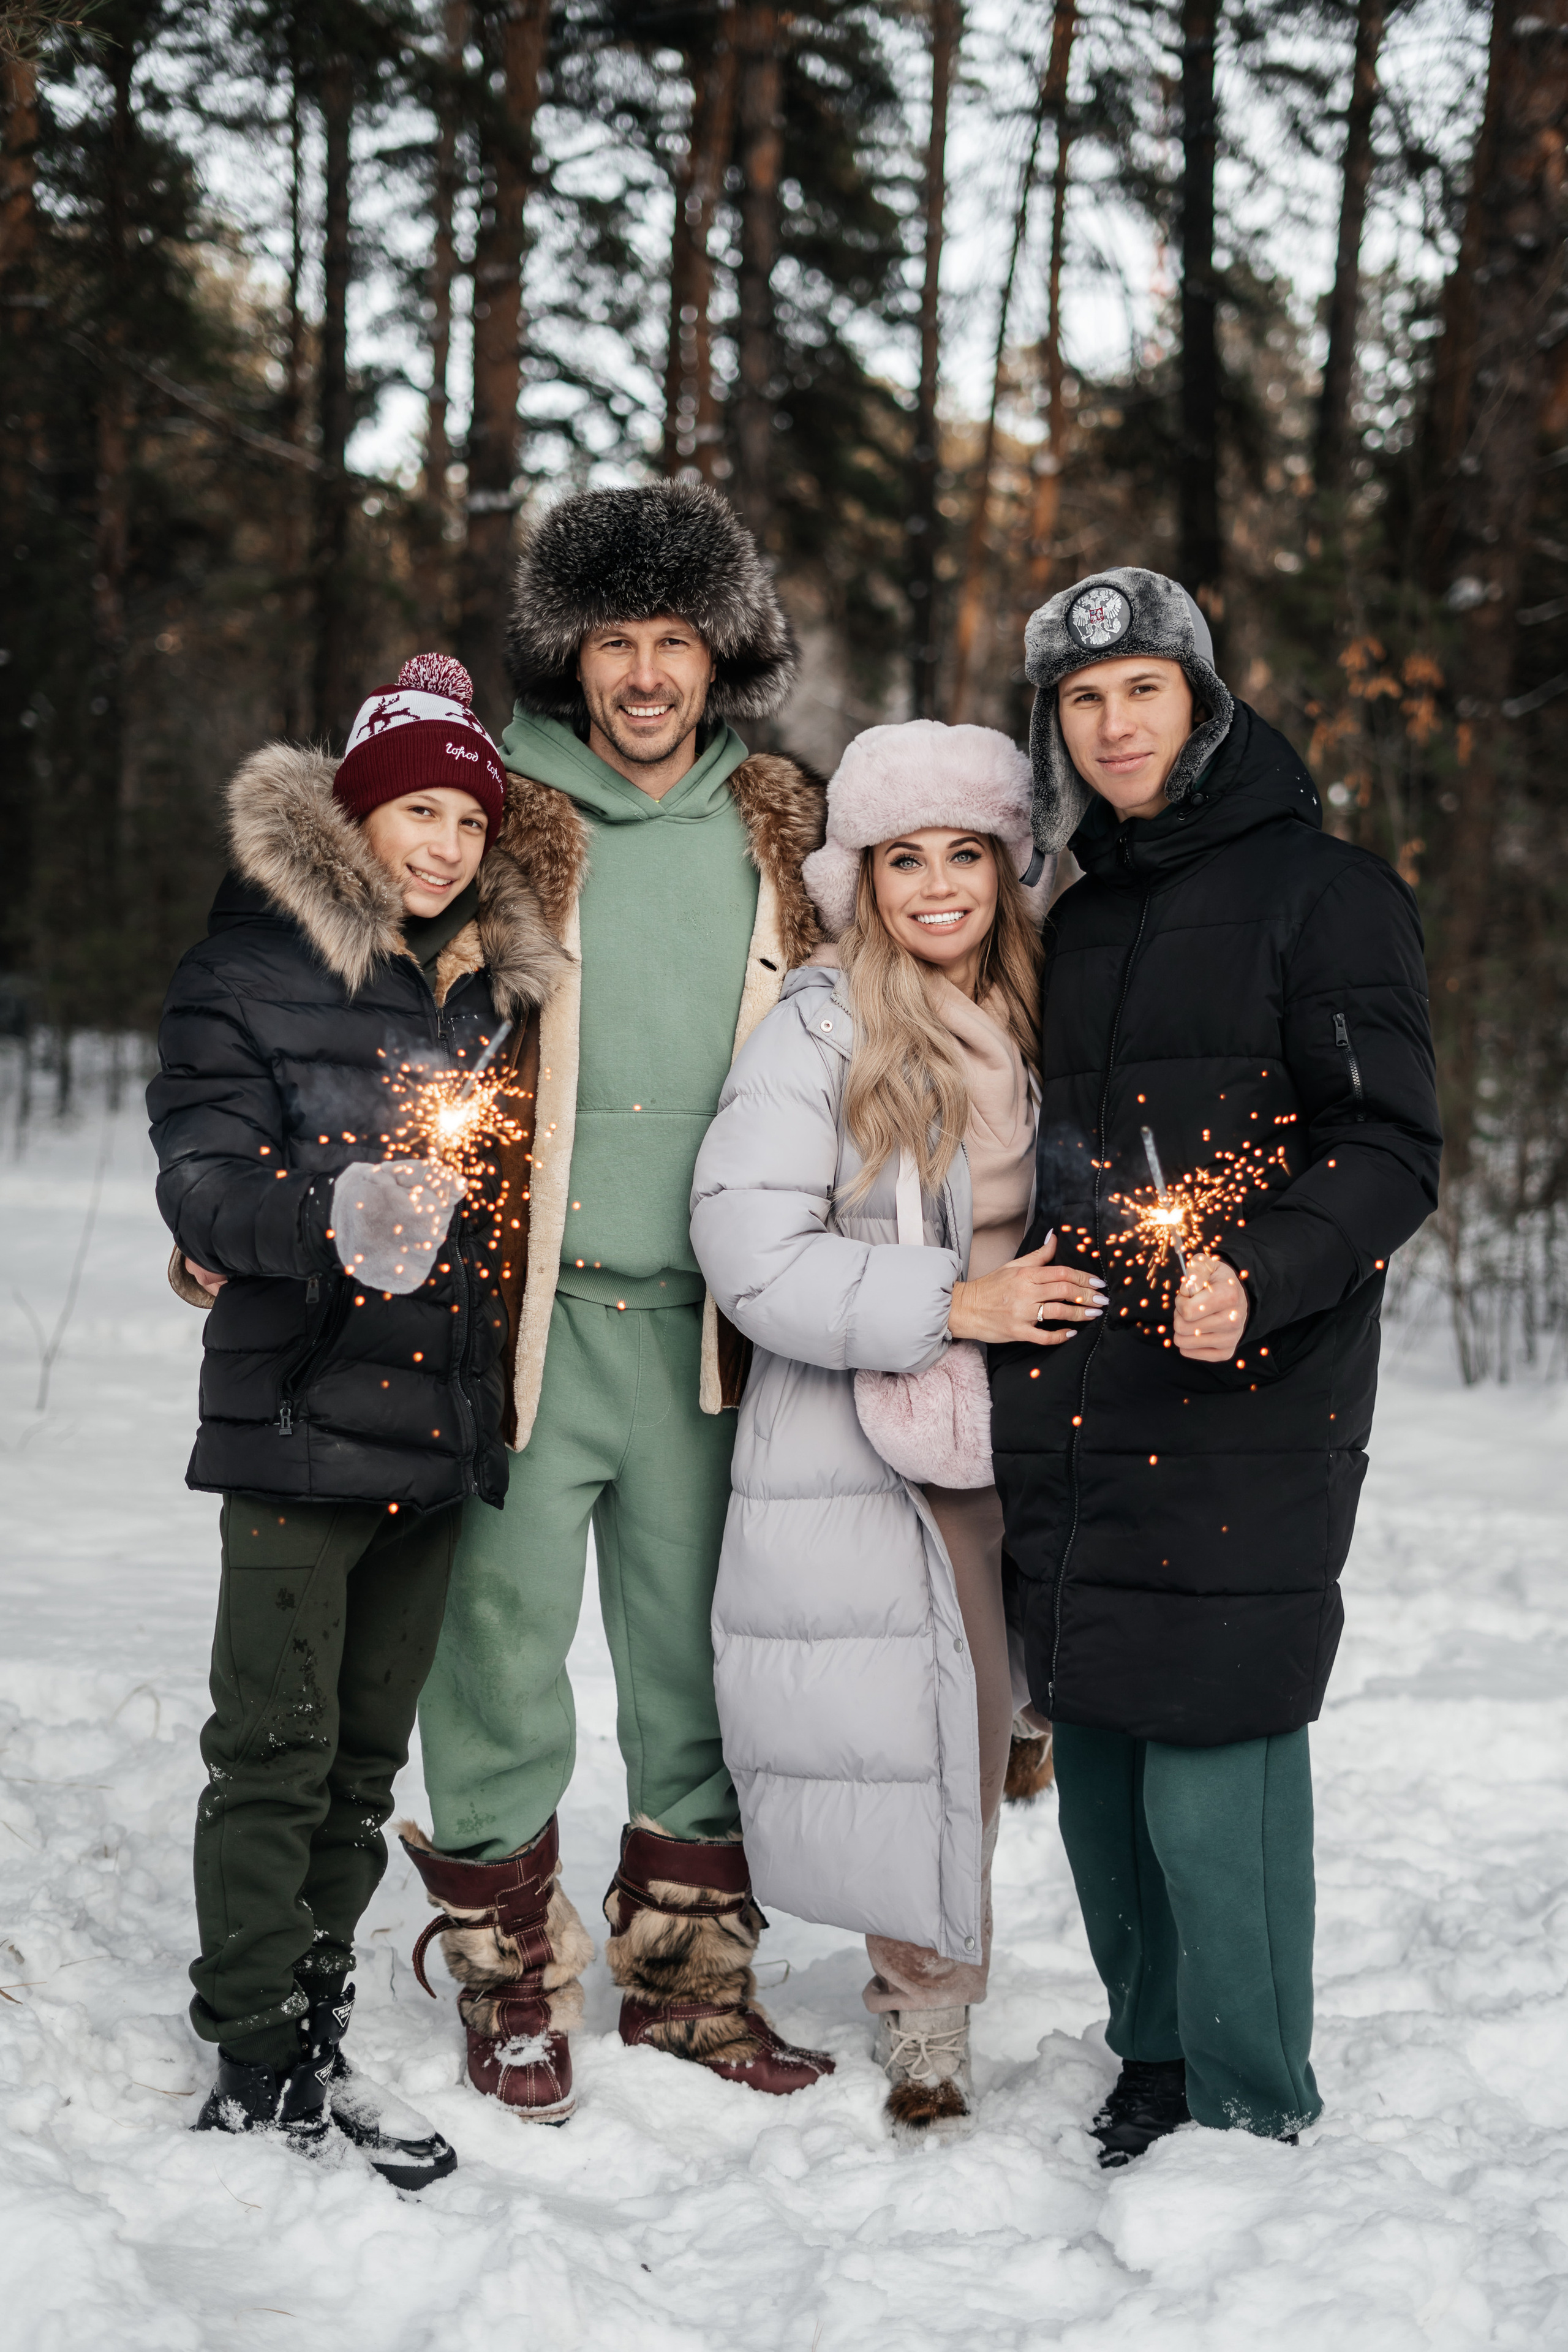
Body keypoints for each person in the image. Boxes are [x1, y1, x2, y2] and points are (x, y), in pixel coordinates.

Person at [990, 568, 1443, 2165]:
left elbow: (1389, 1147)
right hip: (1080, 1395)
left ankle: (1252, 2096)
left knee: (1213, 1759)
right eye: (1082, 701)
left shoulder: (1330, 893)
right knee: (1103, 1751)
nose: (1113, 725)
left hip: (1255, 1392)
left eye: (1142, 691)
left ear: (1203, 702)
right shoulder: (1077, 913)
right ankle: (1156, 2056)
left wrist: (1258, 1273)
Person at [399, 480, 836, 2120]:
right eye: (612, 640)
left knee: (700, 1658)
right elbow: (348, 999)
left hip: (712, 1336)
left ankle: (692, 1981)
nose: (643, 673)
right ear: (567, 655)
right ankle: (508, 1974)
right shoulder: (498, 814)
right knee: (498, 1652)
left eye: (674, 638)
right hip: (523, 1320)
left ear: (723, 654)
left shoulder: (785, 833)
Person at [148, 654, 567, 2184]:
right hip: (297, 1419)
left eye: (469, 816)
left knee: (362, 1765)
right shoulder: (248, 970)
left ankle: (313, 2010)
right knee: (274, 1742)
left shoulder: (490, 995)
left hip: (437, 1435)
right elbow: (199, 1176)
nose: (445, 843)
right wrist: (325, 1211)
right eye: (416, 810)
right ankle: (254, 2051)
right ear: (354, 812)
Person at [690, 719, 1104, 2142]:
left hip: (1036, 1425)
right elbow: (745, 1255)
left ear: (1004, 868)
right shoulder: (821, 1024)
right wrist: (956, 1302)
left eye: (964, 855)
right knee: (930, 1723)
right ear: (859, 878)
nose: (935, 886)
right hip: (873, 1430)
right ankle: (923, 2012)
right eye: (901, 858)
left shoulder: (1053, 1009)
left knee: (995, 1710)